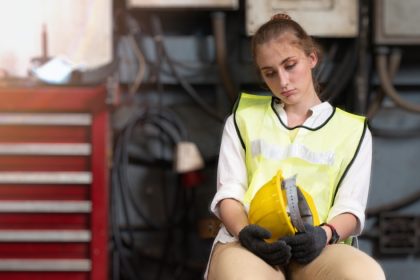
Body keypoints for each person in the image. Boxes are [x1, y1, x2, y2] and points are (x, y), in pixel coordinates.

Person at [205, 13, 385, 280]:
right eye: (270, 73)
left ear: (311, 58)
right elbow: (230, 192)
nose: (283, 81)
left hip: (317, 248)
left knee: (365, 275)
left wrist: (324, 234)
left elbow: (350, 206)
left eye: (290, 65)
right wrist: (245, 233)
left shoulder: (352, 131)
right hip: (251, 245)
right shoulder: (243, 120)